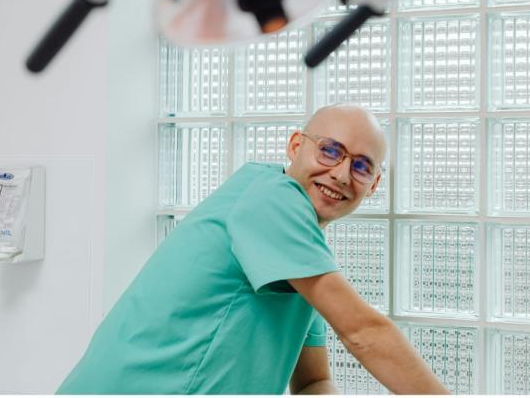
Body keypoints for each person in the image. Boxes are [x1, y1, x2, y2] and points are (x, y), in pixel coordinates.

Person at [57, 103, 448, 394]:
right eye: (330, 151)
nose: (342, 174)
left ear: (374, 185)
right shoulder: (272, 200)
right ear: (295, 145)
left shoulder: (302, 250)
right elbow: (362, 331)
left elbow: (313, 381)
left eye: (362, 166)